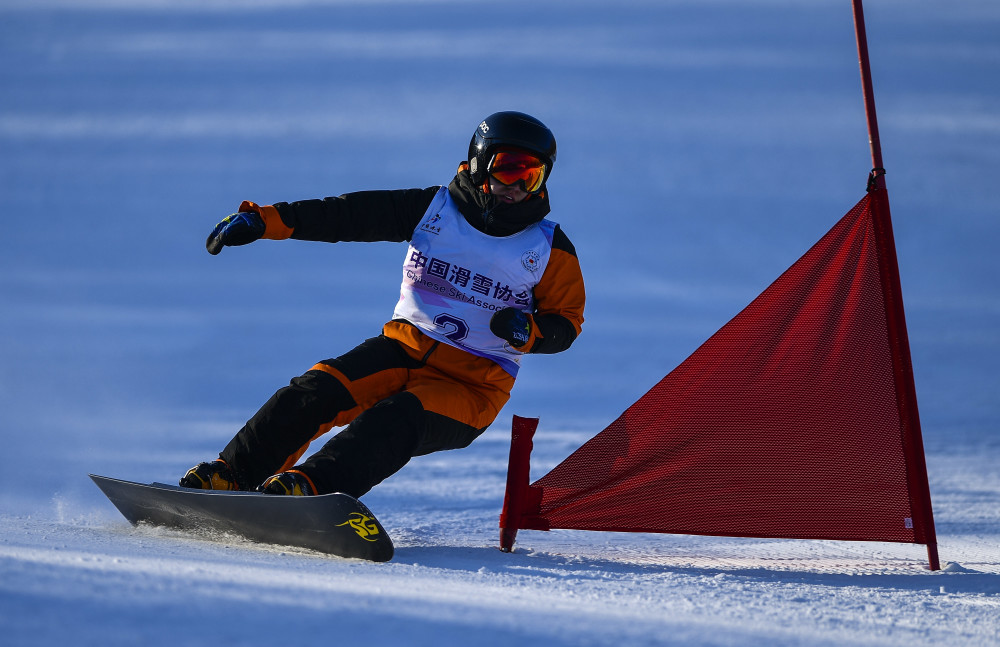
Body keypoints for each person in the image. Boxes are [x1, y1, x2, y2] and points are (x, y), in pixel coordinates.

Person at [179, 111, 586, 498]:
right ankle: (232, 474)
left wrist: (530, 331)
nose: (517, 186)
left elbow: (566, 323)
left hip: (473, 384)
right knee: (315, 390)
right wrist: (267, 221)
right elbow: (348, 215)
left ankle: (308, 489)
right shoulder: (432, 210)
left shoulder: (548, 247)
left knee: (395, 419)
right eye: (508, 168)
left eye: (532, 177)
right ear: (480, 163)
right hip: (401, 348)